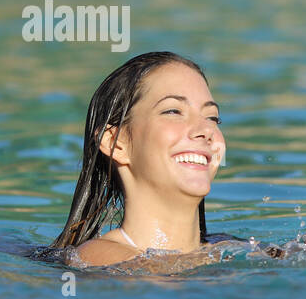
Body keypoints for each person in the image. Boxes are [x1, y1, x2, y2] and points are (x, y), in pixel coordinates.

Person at [51, 51, 293, 268]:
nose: (205, 130)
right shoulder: (97, 257)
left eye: (212, 118)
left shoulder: (238, 250)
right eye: (173, 111)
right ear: (116, 143)